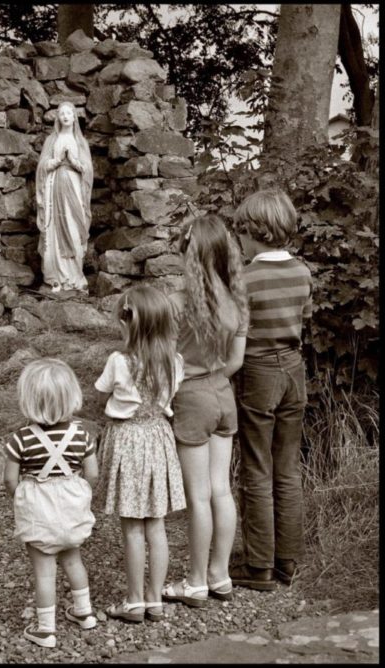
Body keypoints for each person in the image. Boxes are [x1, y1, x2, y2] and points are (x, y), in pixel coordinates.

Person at [162, 213, 249, 607]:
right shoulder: (236, 302)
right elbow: (235, 361)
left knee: (198, 496)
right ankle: (220, 574)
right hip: (222, 394)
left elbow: (163, 363)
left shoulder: (176, 305)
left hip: (191, 398)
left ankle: (195, 581)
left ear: (189, 253)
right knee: (221, 490)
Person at [229, 188, 313, 590]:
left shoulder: (245, 278)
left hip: (258, 371)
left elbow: (235, 331)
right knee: (288, 468)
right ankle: (288, 561)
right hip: (294, 370)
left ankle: (258, 565)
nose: (239, 241)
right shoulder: (302, 272)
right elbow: (305, 319)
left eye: (241, 233)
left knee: (257, 468)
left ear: (253, 232)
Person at [95, 285, 186, 624]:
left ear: (126, 323)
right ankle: (155, 598)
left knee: (132, 528)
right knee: (157, 526)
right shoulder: (175, 362)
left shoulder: (118, 361)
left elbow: (101, 391)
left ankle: (134, 600)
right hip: (159, 438)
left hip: (128, 440)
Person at [4, 358, 98, 649]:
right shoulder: (82, 435)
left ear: (28, 400)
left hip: (39, 509)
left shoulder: (20, 439)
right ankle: (84, 612)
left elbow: (9, 480)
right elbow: (93, 473)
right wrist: (78, 494)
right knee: (73, 559)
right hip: (71, 505)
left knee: (44, 570)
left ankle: (45, 629)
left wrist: (23, 497)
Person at [35, 100, 93, 293]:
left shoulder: (80, 141)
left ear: (74, 117)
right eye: (62, 114)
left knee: (74, 226)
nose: (66, 116)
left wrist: (74, 162)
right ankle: (56, 277)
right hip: (54, 187)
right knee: (54, 228)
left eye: (69, 113)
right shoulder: (52, 140)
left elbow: (87, 170)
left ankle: (75, 275)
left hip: (74, 188)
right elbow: (42, 165)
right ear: (58, 118)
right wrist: (58, 160)